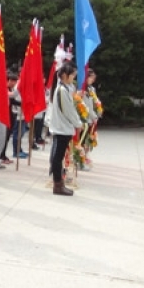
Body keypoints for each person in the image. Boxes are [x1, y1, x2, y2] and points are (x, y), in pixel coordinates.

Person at [46, 63, 83, 196]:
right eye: (72, 75)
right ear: (64, 76)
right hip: (61, 128)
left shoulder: (65, 88)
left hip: (63, 128)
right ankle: (57, 184)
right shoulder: (62, 90)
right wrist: (78, 123)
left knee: (58, 157)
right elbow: (69, 111)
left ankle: (59, 184)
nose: (73, 77)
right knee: (57, 158)